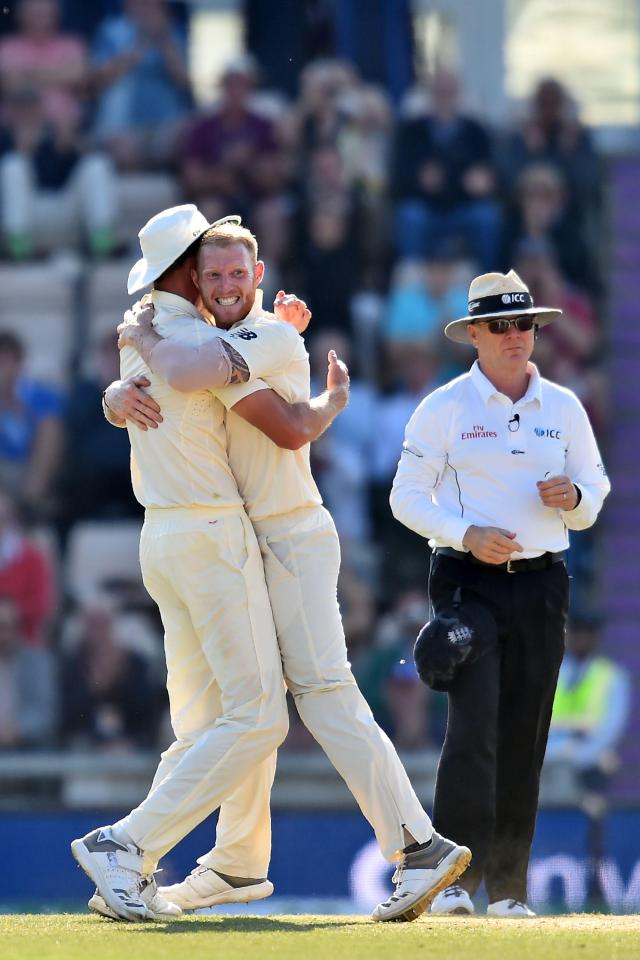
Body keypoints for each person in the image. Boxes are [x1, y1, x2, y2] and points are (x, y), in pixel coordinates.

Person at [99, 216, 472, 924]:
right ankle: (236, 864)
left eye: (238, 274)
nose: (225, 286)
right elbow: (168, 382)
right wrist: (116, 395)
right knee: (247, 705)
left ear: (259, 277)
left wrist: (138, 338)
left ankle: (418, 846)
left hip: (290, 535)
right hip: (252, 538)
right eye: (213, 276)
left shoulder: (254, 335)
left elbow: (284, 423)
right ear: (194, 278)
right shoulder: (213, 333)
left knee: (319, 693)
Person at [70, 204, 350, 923]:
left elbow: (138, 379)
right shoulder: (185, 337)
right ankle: (125, 844)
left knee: (207, 729)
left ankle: (174, 870)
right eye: (203, 263)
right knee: (259, 718)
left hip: (163, 539)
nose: (215, 276)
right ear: (183, 270)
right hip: (210, 536)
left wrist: (111, 396)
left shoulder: (144, 329)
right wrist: (294, 350)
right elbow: (285, 426)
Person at [390, 269, 610, 917]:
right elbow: (405, 497)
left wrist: (573, 499)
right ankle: (457, 882)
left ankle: (510, 890)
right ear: (476, 335)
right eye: (502, 326)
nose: (517, 337)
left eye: (525, 325)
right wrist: (466, 533)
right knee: (473, 728)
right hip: (468, 581)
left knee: (526, 732)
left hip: (544, 583)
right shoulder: (444, 408)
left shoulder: (564, 407)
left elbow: (594, 493)